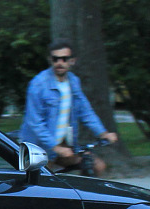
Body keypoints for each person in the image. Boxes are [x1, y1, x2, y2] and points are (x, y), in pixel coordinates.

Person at [19, 40, 118, 175]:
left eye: (64, 59)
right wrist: (56, 148)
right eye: (55, 59)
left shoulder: (73, 81)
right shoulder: (38, 85)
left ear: (72, 61)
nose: (60, 63)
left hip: (63, 147)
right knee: (45, 183)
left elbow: (85, 111)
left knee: (96, 166)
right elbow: (35, 123)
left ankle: (84, 196)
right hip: (39, 149)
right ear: (50, 60)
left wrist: (103, 133)